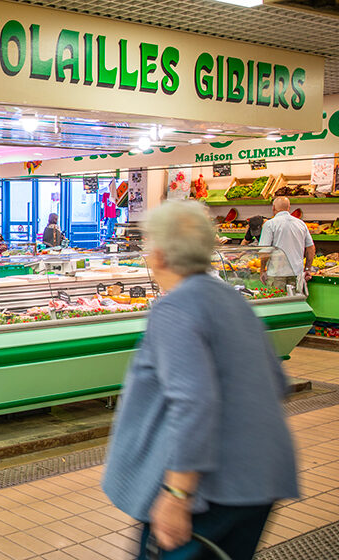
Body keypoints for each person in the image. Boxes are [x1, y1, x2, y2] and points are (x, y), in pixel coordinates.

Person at [102, 201, 298, 560]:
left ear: (161, 255)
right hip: (262, 479)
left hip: (210, 492)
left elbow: (193, 402)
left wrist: (177, 494)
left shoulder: (175, 309)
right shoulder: (231, 300)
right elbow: (276, 381)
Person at [258, 197, 314, 291]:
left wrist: (262, 270)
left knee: (278, 299)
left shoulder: (270, 224)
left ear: (273, 208)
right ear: (289, 207)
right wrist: (308, 268)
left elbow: (265, 250)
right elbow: (310, 248)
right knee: (296, 299)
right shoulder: (301, 224)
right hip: (297, 274)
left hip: (277, 274)